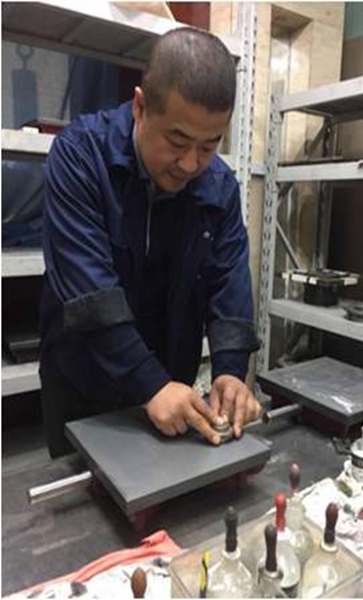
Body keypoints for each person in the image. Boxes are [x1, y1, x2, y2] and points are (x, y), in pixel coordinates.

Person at [40, 27, 262, 458]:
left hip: (170, 388)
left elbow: (229, 284)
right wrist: (149, 385)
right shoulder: (80, 157)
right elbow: (90, 295)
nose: (191, 164)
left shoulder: (219, 187)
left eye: (209, 146)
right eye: (177, 142)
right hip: (83, 386)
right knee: (82, 494)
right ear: (141, 107)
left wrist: (231, 371)